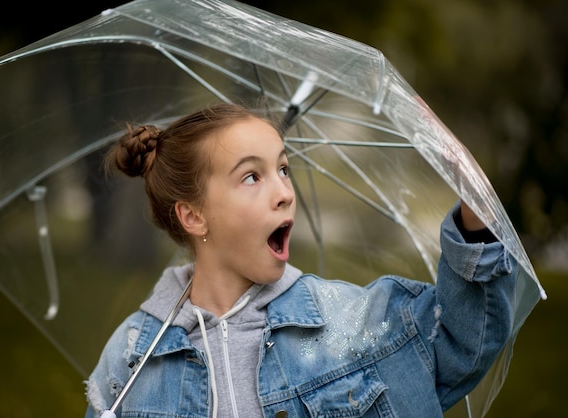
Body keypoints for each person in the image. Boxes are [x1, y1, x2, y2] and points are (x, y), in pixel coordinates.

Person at [84, 102, 516, 418]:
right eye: (252, 176)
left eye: (284, 169)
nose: (285, 192)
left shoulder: (350, 325)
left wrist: (475, 217)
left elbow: (458, 342)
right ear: (194, 216)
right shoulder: (131, 363)